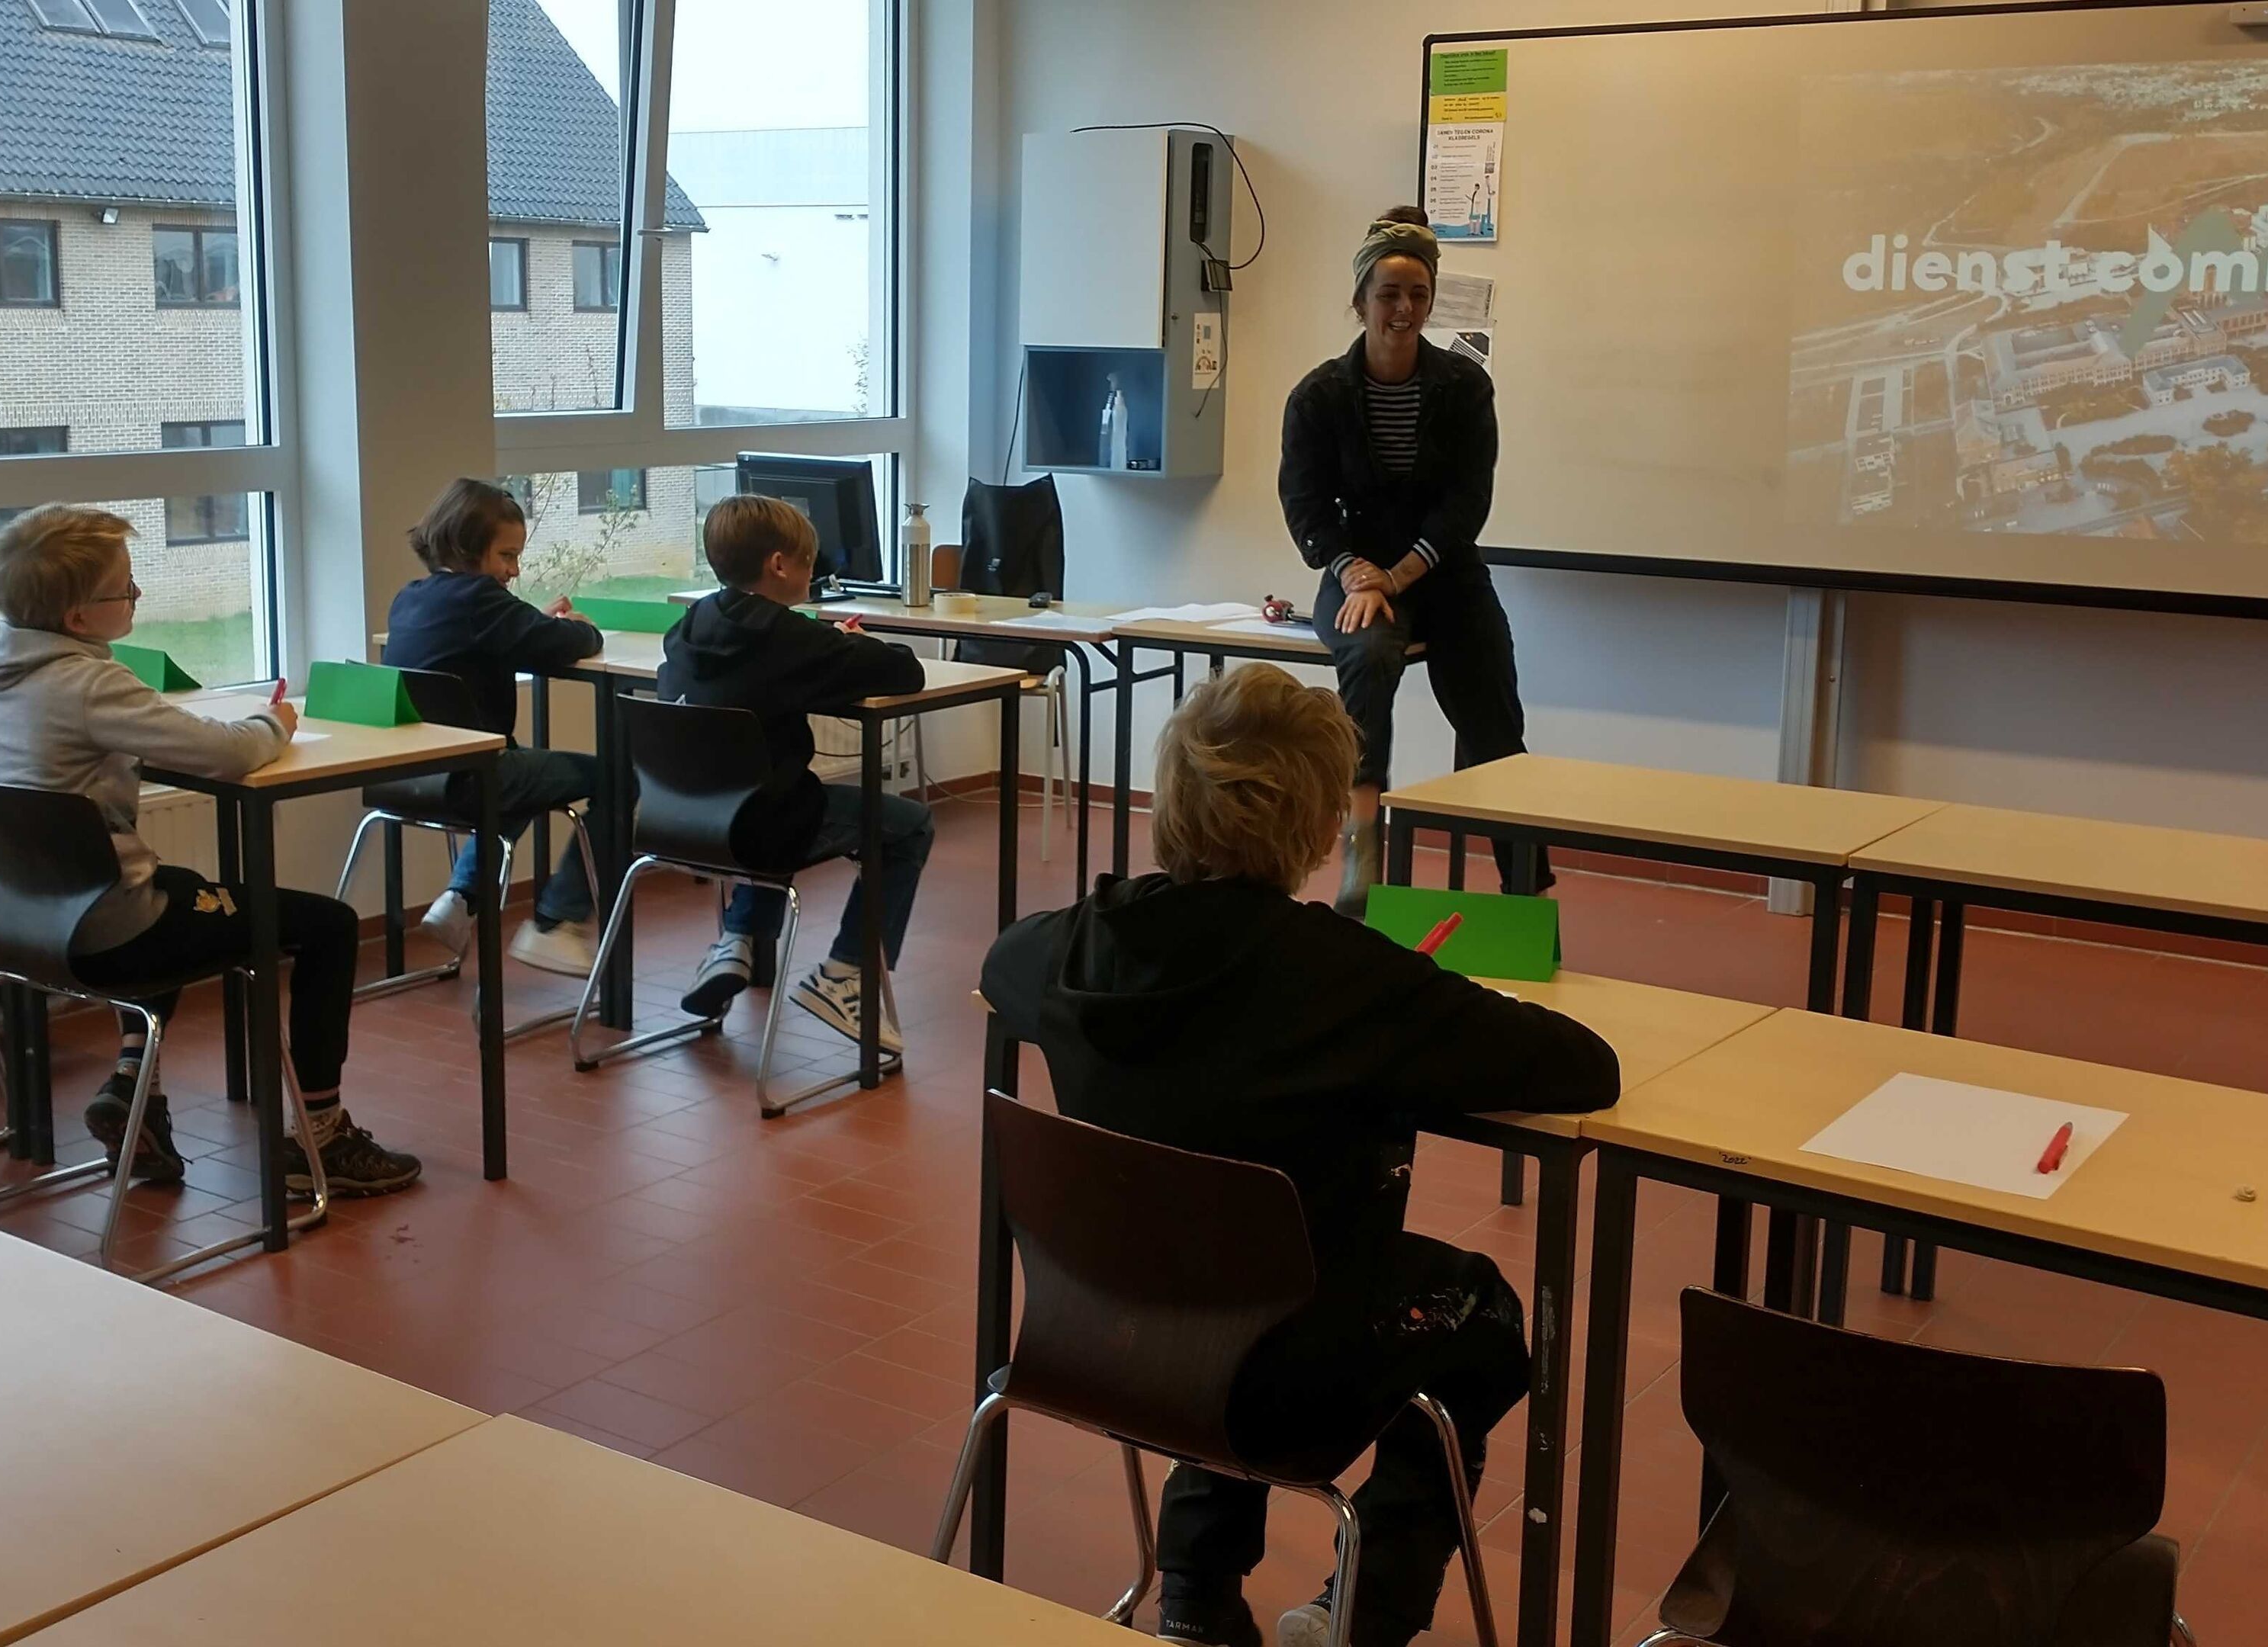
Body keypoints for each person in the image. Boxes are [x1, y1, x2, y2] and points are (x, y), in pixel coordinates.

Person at [979, 663, 1619, 1647]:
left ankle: (1196, 1594)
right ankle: (1365, 1612)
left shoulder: (1079, 945)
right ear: (1320, 823)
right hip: (1280, 1384)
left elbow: (1000, 965)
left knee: (1220, 1243)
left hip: (1097, 1340)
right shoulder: (1347, 979)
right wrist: (1418, 1005)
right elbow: (1582, 1067)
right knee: (1481, 1309)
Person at [0, 504, 421, 1196]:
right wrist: (274, 721)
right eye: (124, 588)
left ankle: (133, 1086)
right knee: (328, 925)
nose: (137, 595)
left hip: (23, 923)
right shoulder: (89, 682)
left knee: (178, 887)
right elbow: (227, 754)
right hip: (108, 932)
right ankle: (321, 1134)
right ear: (78, 617)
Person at [1280, 205, 1541, 917]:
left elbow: (1467, 502)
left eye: (1418, 295)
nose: (1404, 309)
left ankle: (1523, 888)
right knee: (1368, 658)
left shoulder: (1464, 386)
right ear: (1360, 300)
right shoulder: (1318, 396)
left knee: (1492, 714)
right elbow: (1304, 504)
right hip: (1353, 571)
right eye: (1389, 294)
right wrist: (1353, 573)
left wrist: (1395, 577)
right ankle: (1362, 854)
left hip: (1444, 573)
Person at [658, 495, 931, 1051]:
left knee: (775, 789)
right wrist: (851, 647)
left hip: (679, 821)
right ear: (779, 565)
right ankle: (846, 973)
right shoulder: (792, 639)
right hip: (761, 829)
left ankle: (736, 941)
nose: (815, 573)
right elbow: (906, 672)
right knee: (907, 826)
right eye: (809, 562)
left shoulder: (687, 628)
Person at [381, 477, 607, 979]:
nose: (515, 570)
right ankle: (559, 923)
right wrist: (577, 627)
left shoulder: (411, 598)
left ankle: (462, 898)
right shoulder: (483, 601)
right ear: (468, 547)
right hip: (472, 780)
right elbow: (576, 642)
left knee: (519, 767)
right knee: (617, 778)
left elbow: (498, 634)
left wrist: (532, 622)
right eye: (507, 556)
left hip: (409, 778)